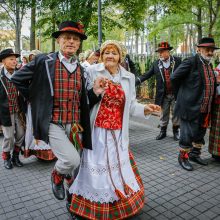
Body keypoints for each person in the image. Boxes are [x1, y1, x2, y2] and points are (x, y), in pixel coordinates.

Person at [68, 40, 161, 220]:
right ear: (101, 55)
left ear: (121, 56)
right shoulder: (91, 72)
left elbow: (131, 106)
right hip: (97, 132)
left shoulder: (128, 77)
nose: (110, 55)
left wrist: (145, 109)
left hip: (118, 132)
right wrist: (96, 91)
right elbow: (83, 102)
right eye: (106, 52)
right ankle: (85, 206)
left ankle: (117, 205)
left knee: (117, 169)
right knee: (96, 169)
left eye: (114, 52)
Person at [11, 21, 100, 201]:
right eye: (67, 38)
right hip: (53, 122)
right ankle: (56, 176)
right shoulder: (44, 61)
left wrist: (96, 92)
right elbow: (17, 78)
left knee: (76, 169)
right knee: (71, 160)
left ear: (79, 44)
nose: (71, 42)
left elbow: (84, 100)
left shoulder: (81, 69)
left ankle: (72, 201)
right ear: (59, 40)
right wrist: (37, 99)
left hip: (75, 125)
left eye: (75, 39)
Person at [171, 37, 219, 171]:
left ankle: (194, 154)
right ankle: (183, 158)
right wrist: (181, 96)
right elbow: (174, 78)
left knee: (200, 134)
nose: (210, 52)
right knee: (187, 135)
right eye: (207, 50)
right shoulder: (191, 62)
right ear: (199, 49)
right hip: (190, 107)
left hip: (206, 107)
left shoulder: (209, 64)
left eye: (212, 50)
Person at [136, 42, 182, 141]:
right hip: (163, 94)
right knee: (163, 114)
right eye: (159, 52)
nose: (160, 54)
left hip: (176, 93)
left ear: (168, 51)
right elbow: (147, 75)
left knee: (176, 113)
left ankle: (176, 131)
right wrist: (136, 81)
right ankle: (163, 131)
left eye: (162, 51)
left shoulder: (177, 61)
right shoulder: (156, 64)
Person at [0, 48, 25, 169]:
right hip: (6, 112)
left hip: (19, 111)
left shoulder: (20, 73)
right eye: (11, 59)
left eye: (15, 59)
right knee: (9, 136)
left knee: (21, 134)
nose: (14, 61)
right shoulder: (0, 76)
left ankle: (16, 155)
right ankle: (6, 157)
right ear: (3, 61)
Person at [208, 66, 220, 161]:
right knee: (216, 128)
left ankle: (216, 153)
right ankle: (216, 153)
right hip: (217, 102)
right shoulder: (217, 68)